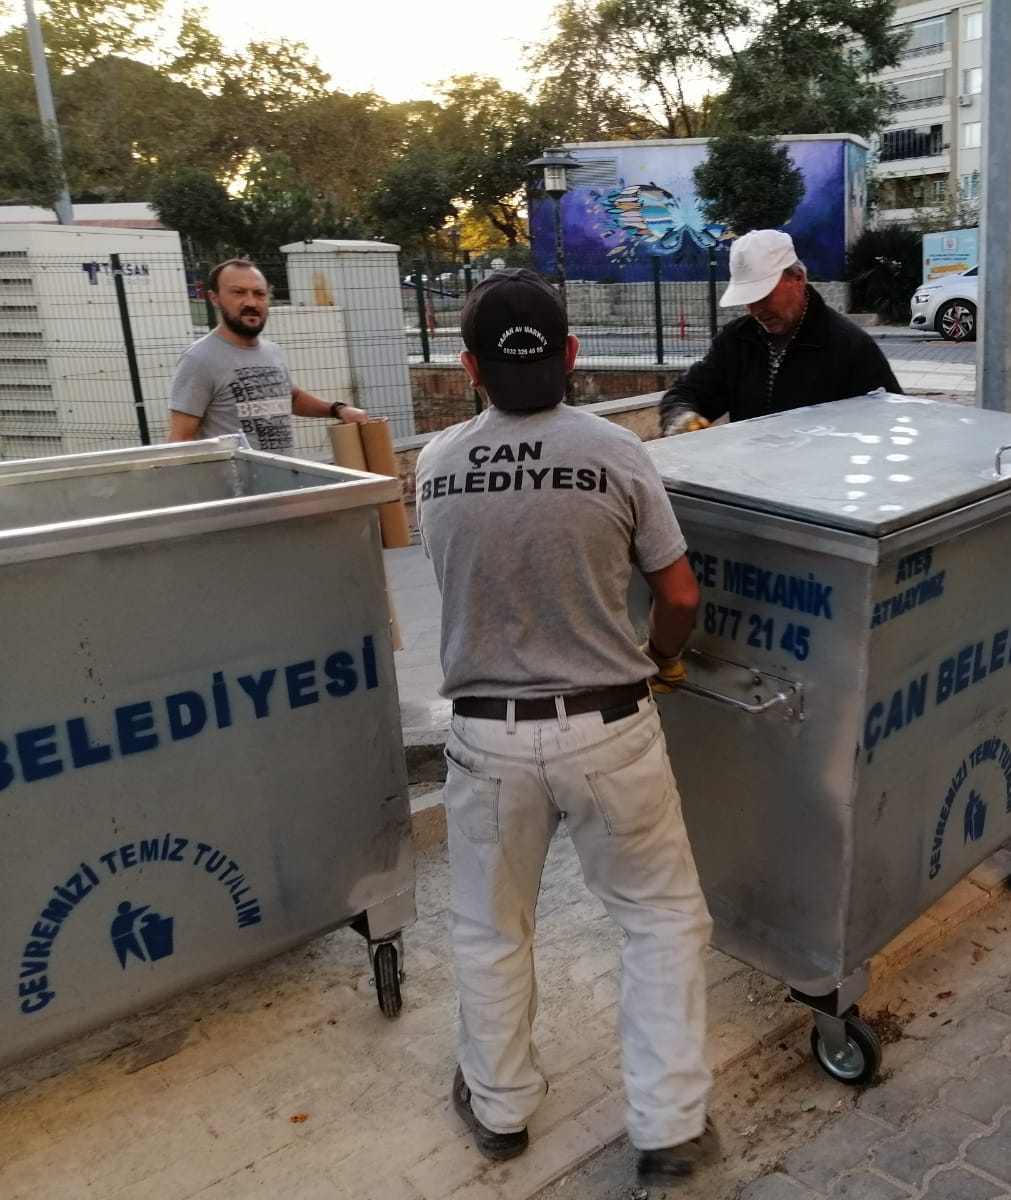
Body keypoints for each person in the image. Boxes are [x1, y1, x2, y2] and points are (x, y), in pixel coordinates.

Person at [414, 269, 717, 1186]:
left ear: (469, 367)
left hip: (485, 738)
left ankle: (499, 1108)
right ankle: (668, 1131)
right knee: (659, 919)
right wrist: (660, 657)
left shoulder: (434, 464)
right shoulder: (618, 452)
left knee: (490, 928)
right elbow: (679, 595)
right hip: (609, 726)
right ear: (572, 355)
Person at [658, 229, 901, 435]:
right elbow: (687, 393)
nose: (755, 310)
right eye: (748, 299)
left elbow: (888, 423)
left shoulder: (851, 347)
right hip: (748, 474)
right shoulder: (735, 340)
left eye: (763, 295)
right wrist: (681, 416)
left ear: (798, 279)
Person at [167, 259, 368, 449]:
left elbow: (291, 397)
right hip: (233, 476)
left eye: (259, 294)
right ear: (215, 299)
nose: (251, 302)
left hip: (282, 473)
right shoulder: (199, 359)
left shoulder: (271, 351)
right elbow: (180, 440)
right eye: (238, 292)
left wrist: (338, 409)